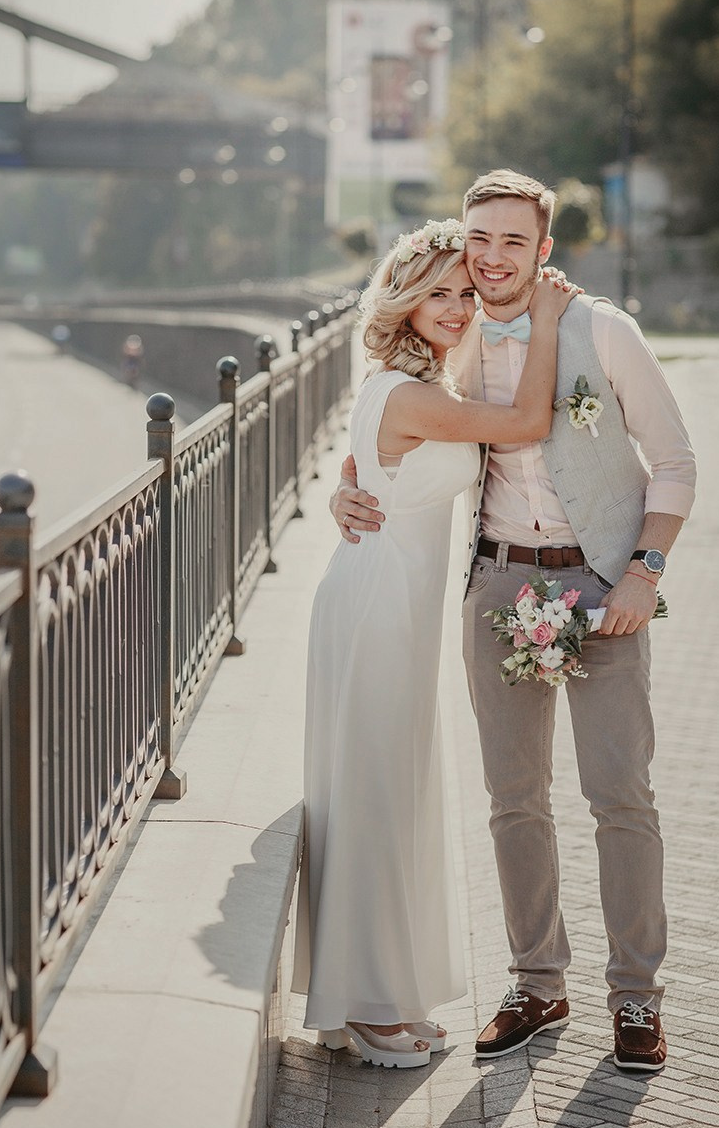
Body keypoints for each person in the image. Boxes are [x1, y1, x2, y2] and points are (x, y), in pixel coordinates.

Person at [330, 170, 697, 1072]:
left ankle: (637, 999)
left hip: (602, 585)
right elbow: (389, 427)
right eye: (477, 239)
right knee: (513, 802)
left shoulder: (602, 330)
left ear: (543, 250)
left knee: (621, 797)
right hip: (497, 583)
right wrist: (350, 488)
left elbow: (677, 463)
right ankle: (537, 982)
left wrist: (645, 574)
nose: (490, 259)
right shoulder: (449, 339)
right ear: (462, 241)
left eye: (511, 242)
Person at [293, 215, 578, 1069]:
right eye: (439, 293)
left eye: (465, 291)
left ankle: (377, 993)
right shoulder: (413, 391)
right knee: (378, 791)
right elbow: (526, 419)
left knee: (393, 788)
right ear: (405, 301)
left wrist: (346, 487)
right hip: (380, 604)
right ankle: (370, 1009)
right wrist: (554, 322)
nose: (457, 306)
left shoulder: (416, 386)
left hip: (396, 602)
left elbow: (369, 464)